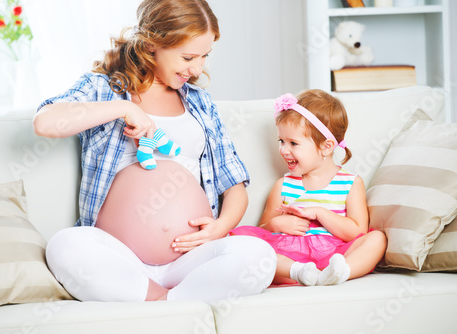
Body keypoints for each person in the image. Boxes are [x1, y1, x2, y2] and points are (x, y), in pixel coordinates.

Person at [33, 0, 276, 303]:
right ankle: (170, 300)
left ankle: (162, 303)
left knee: (259, 255)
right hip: (121, 259)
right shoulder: (104, 89)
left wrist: (219, 229)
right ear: (151, 45)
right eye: (188, 56)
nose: (197, 68)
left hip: (190, 261)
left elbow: (235, 187)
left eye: (204, 57)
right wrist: (124, 108)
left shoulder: (200, 103)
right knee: (64, 245)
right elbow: (45, 121)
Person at [230, 90, 387, 286]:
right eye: (281, 141)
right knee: (248, 249)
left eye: (293, 143)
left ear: (327, 147)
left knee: (377, 239)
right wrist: (276, 224)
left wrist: (320, 213)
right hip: (289, 257)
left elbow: (357, 232)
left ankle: (341, 272)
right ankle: (299, 273)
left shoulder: (350, 184)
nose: (284, 150)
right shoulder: (283, 185)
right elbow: (263, 230)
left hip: (334, 255)